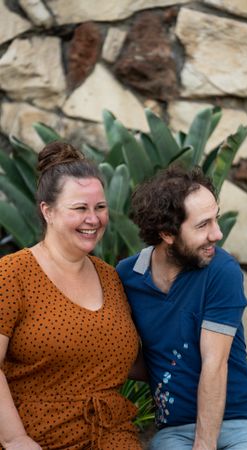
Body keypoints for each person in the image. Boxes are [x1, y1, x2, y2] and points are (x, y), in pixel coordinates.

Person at [116, 165, 247, 450]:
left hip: (244, 420)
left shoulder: (221, 270)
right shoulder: (128, 276)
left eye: (215, 220)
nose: (217, 234)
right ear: (167, 233)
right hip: (177, 428)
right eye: (203, 225)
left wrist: (204, 446)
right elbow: (124, 353)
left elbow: (213, 364)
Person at [0, 142, 142, 450]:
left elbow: (122, 357)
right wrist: (14, 438)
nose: (93, 219)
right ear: (47, 211)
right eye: (80, 208)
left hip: (110, 436)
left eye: (100, 207)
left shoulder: (111, 278)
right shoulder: (12, 274)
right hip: (34, 438)